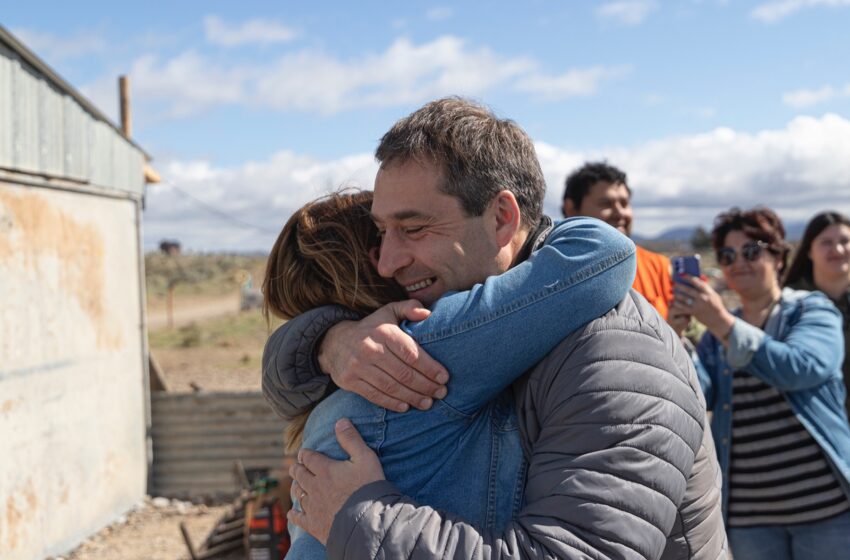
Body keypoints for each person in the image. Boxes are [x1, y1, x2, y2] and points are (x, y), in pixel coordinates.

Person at [268, 97, 726, 559]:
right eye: (381, 233)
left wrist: (361, 519)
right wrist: (328, 342)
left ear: (502, 218)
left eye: (414, 228)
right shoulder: (434, 334)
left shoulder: (617, 354)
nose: (387, 263)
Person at [264, 190, 637, 559]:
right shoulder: (416, 350)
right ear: (371, 265)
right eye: (385, 237)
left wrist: (326, 340)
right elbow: (604, 252)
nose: (396, 257)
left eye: (411, 230)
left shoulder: (335, 389)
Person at [671, 207, 850, 559]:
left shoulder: (812, 310)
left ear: (779, 257)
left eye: (751, 251)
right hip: (749, 517)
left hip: (825, 509)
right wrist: (675, 338)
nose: (739, 262)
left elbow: (802, 367)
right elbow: (698, 396)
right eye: (727, 255)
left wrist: (722, 324)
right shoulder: (717, 334)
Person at [562, 162, 687, 334]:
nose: (620, 212)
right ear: (571, 209)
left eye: (624, 203)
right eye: (605, 203)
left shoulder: (659, 268)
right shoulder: (553, 273)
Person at [784, 211, 850, 418]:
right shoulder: (789, 306)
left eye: (845, 241)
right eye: (826, 243)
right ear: (809, 251)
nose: (837, 249)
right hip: (815, 425)